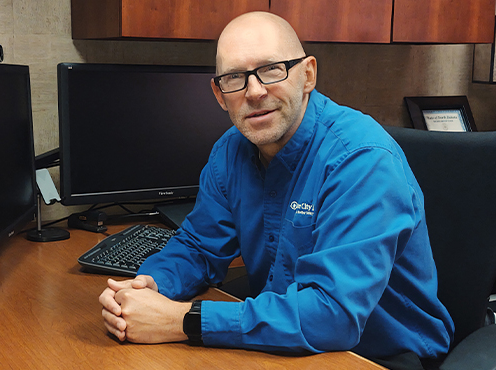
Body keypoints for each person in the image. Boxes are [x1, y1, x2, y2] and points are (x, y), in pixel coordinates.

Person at [99, 11, 454, 368]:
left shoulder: (362, 162)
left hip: (378, 354)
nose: (254, 92)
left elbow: (333, 315)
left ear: (308, 75)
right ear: (219, 95)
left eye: (272, 69)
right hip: (281, 338)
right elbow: (198, 247)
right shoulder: (230, 151)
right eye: (235, 77)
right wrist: (150, 287)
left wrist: (180, 320)